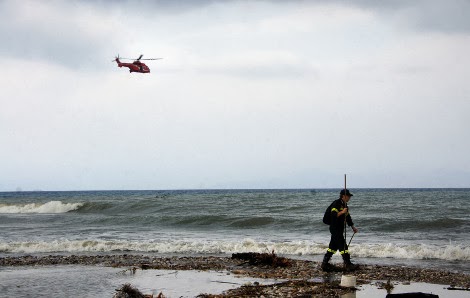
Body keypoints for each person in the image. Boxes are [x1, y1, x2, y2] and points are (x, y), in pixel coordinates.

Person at [321, 189, 359, 271]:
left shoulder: (345, 206)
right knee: (343, 245)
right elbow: (333, 215)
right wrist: (342, 212)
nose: (349, 198)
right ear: (344, 196)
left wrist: (353, 227)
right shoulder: (336, 203)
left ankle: (325, 264)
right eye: (348, 196)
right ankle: (348, 264)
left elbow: (348, 218)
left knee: (333, 247)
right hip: (335, 228)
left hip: (339, 228)